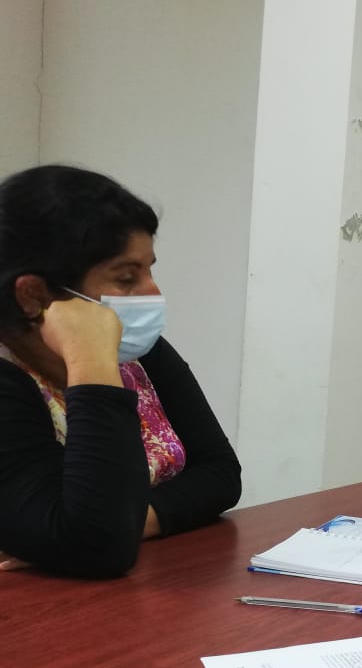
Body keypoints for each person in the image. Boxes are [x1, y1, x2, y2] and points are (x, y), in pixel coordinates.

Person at [0, 165, 242, 578]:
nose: (153, 292)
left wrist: (129, 524)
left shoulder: (139, 353)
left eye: (150, 269)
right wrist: (90, 362)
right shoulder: (9, 382)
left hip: (149, 586)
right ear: (33, 295)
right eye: (127, 278)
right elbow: (99, 548)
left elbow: (220, 475)